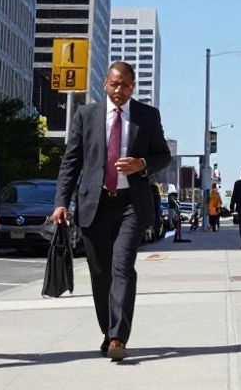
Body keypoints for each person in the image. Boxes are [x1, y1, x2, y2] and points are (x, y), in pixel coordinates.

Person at [52, 62, 172, 362]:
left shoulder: (147, 116)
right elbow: (71, 162)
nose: (120, 90)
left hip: (131, 203)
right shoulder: (86, 115)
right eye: (115, 84)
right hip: (95, 204)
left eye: (126, 85)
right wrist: (61, 202)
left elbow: (163, 156)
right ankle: (108, 331)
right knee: (100, 273)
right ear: (105, 84)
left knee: (122, 267)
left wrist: (141, 164)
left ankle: (119, 336)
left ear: (133, 87)